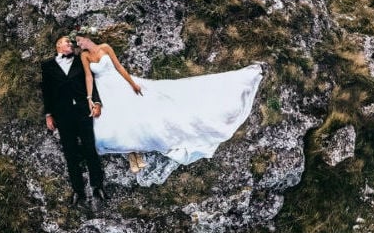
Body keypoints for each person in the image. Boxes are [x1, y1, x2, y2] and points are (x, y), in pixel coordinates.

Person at [73, 26, 263, 171]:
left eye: (81, 40)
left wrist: (132, 83)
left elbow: (119, 67)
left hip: (118, 82)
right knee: (116, 120)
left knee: (136, 112)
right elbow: (89, 76)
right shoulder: (85, 56)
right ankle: (134, 156)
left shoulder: (105, 47)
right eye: (78, 43)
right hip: (104, 88)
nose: (81, 44)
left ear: (88, 37)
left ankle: (135, 155)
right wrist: (90, 97)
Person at [41, 34, 107, 205]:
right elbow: (46, 91)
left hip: (83, 111)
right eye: (66, 41)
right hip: (62, 115)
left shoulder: (81, 59)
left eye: (71, 42)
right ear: (58, 45)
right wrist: (48, 114)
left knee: (90, 148)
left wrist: (96, 102)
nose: (70, 43)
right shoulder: (47, 65)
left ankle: (98, 186)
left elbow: (90, 82)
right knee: (70, 153)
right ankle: (78, 191)